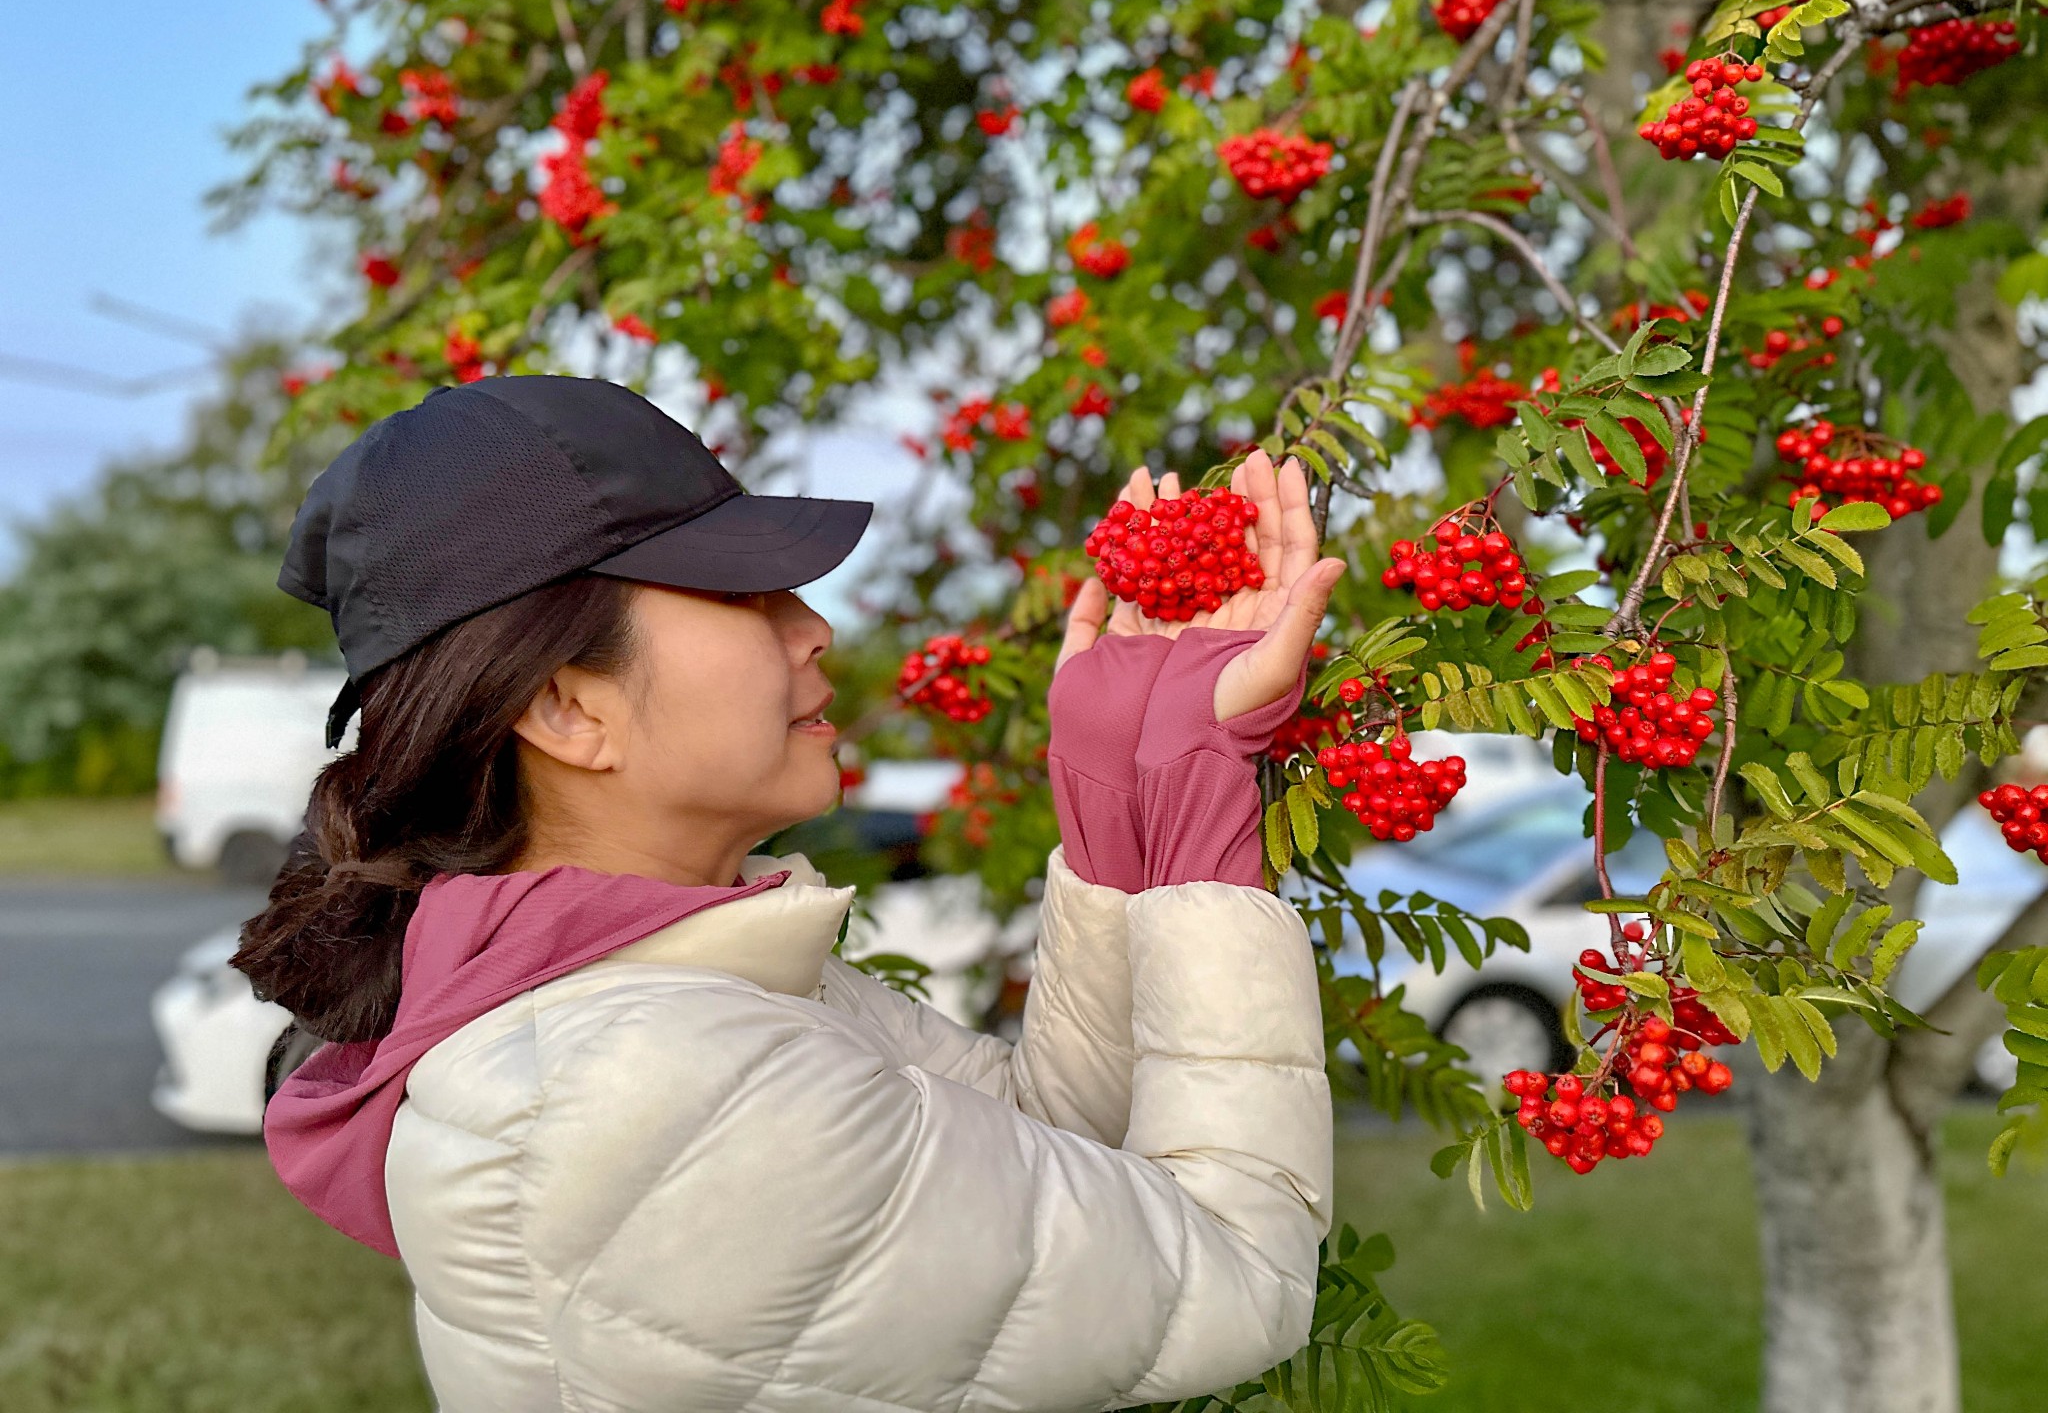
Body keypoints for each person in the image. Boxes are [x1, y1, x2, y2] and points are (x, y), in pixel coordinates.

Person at [233, 374, 1345, 1411]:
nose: (814, 629)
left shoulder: (669, 989)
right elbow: (1233, 1272)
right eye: (745, 596)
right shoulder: (646, 1088)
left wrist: (1122, 816)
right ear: (570, 708)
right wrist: (1200, 843)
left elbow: (1048, 1164)